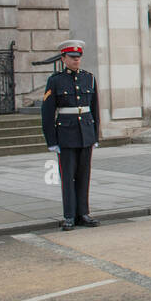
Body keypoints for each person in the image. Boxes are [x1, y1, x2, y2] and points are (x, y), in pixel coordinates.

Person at [41, 39, 100, 230]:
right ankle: (69, 215)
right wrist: (51, 140)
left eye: (78, 57)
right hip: (66, 134)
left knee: (84, 175)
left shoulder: (89, 78)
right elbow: (47, 112)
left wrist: (95, 136)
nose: (76, 61)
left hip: (86, 133)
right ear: (64, 58)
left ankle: (83, 213)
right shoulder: (56, 81)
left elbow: (95, 109)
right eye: (72, 58)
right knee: (68, 176)